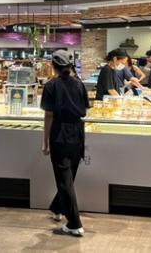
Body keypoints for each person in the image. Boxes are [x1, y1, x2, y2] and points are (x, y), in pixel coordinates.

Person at [41, 49, 89, 237]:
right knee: (69, 176)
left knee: (64, 179)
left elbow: (49, 115)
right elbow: (84, 109)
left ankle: (75, 223)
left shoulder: (51, 85)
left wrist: (45, 141)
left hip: (59, 133)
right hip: (78, 133)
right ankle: (57, 207)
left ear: (53, 66)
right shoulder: (79, 84)